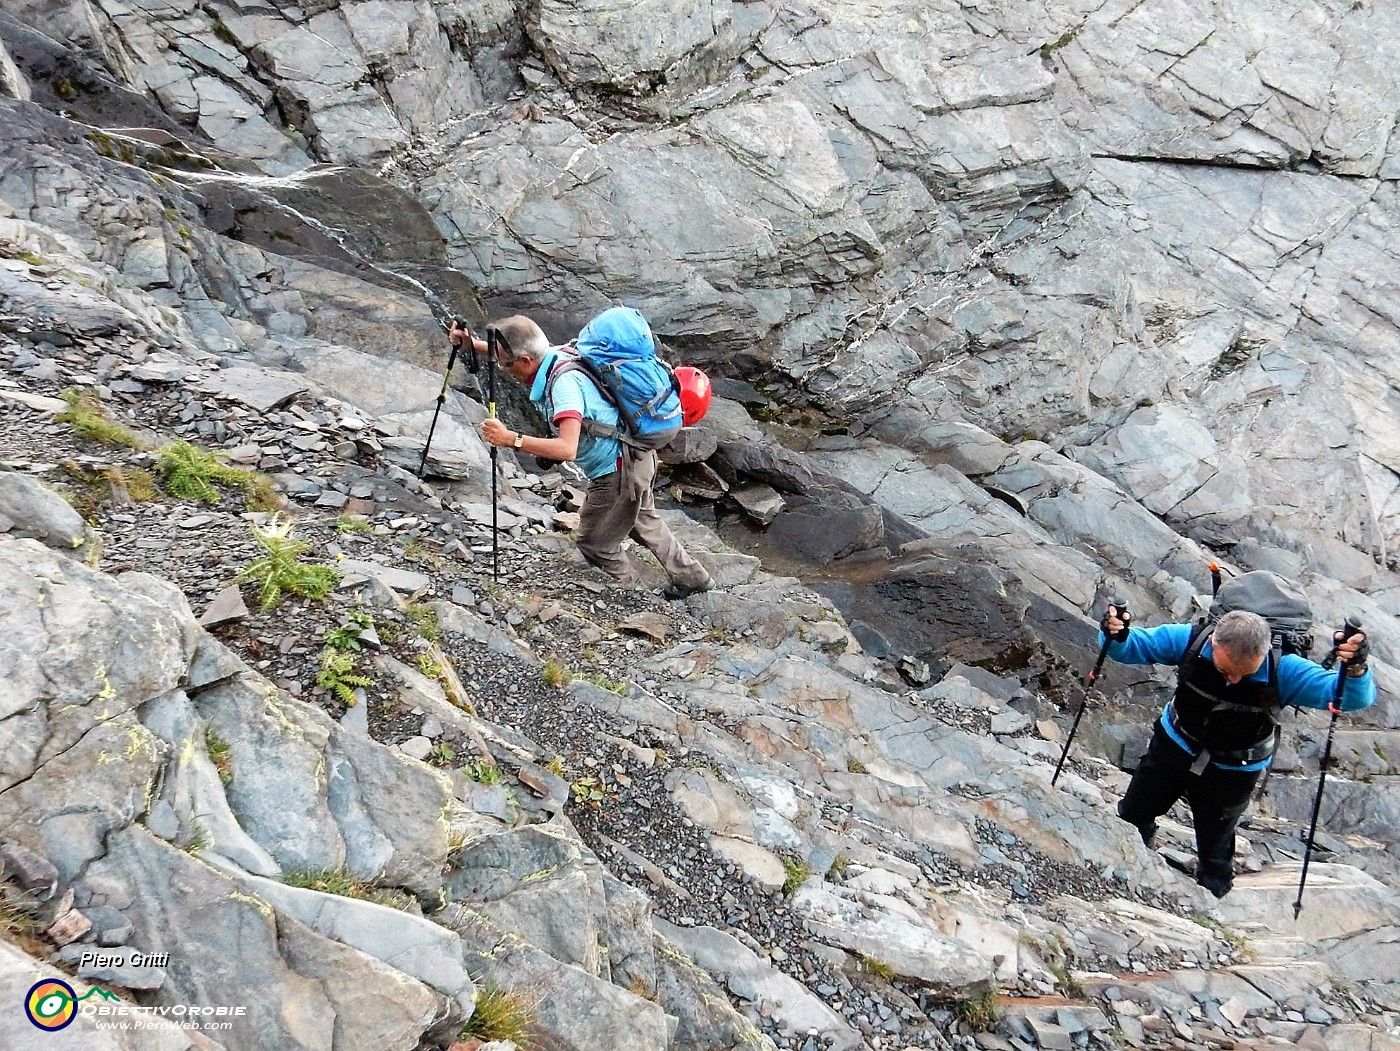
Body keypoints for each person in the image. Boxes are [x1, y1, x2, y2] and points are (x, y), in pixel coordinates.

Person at [1100, 604, 1375, 897]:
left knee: (1215, 851)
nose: (1233, 680)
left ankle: (1210, 904)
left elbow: (1350, 698)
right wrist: (1115, 633)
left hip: (1233, 771)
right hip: (1175, 745)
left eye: (1246, 673)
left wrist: (1356, 669)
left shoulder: (1285, 668)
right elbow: (1128, 648)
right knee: (1132, 815)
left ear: (1265, 651)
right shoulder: (1191, 639)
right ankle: (1127, 870)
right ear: (1212, 643)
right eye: (1225, 670)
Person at [449, 316, 715, 600]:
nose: (504, 369)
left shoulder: (565, 386)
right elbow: (517, 351)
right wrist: (472, 345)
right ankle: (693, 578)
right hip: (637, 457)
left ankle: (636, 598)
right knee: (643, 519)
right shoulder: (562, 354)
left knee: (594, 543)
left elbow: (567, 449)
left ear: (526, 362)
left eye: (505, 364)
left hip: (617, 472)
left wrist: (510, 439)